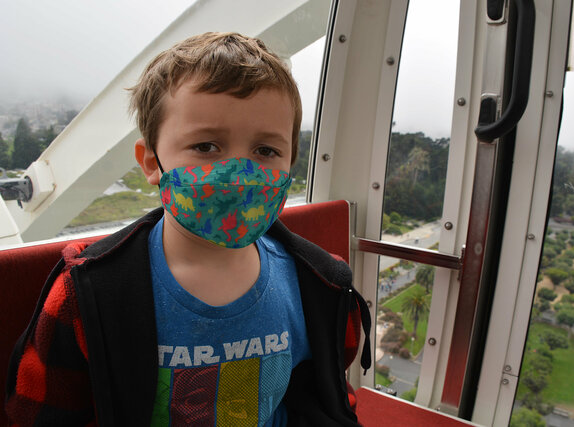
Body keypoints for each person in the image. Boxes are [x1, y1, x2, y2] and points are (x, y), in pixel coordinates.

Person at [6, 32, 371, 426]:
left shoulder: (320, 286)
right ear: (150, 161)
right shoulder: (87, 294)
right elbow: (38, 415)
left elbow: (327, 397)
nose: (237, 174)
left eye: (266, 151)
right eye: (206, 146)